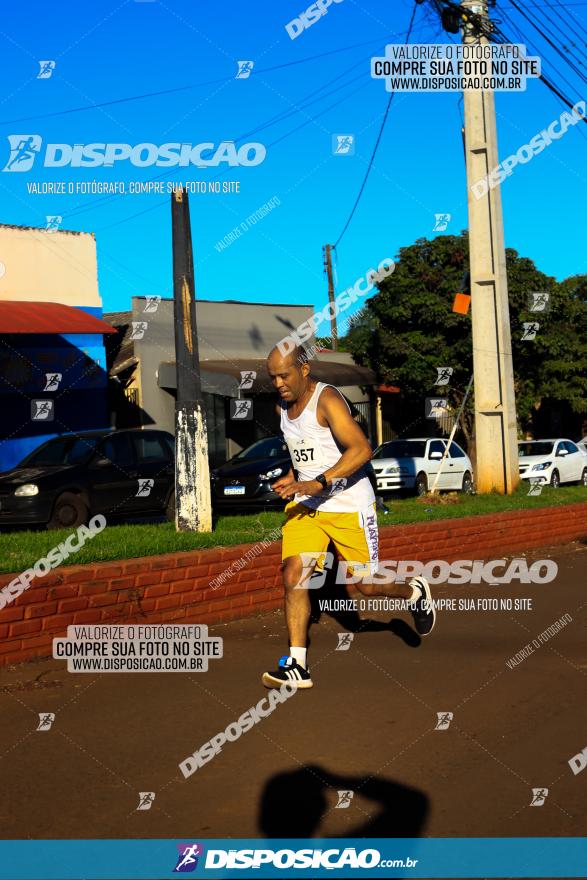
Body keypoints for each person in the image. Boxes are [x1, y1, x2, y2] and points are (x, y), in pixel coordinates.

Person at [261, 344, 435, 690]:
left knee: (366, 586)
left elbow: (361, 449)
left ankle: (414, 592)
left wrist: (320, 481)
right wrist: (295, 478)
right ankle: (298, 664)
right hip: (309, 507)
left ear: (304, 369)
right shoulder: (281, 405)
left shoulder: (326, 400)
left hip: (349, 505)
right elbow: (306, 454)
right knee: (294, 573)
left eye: (285, 374)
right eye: (273, 377)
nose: (279, 383)